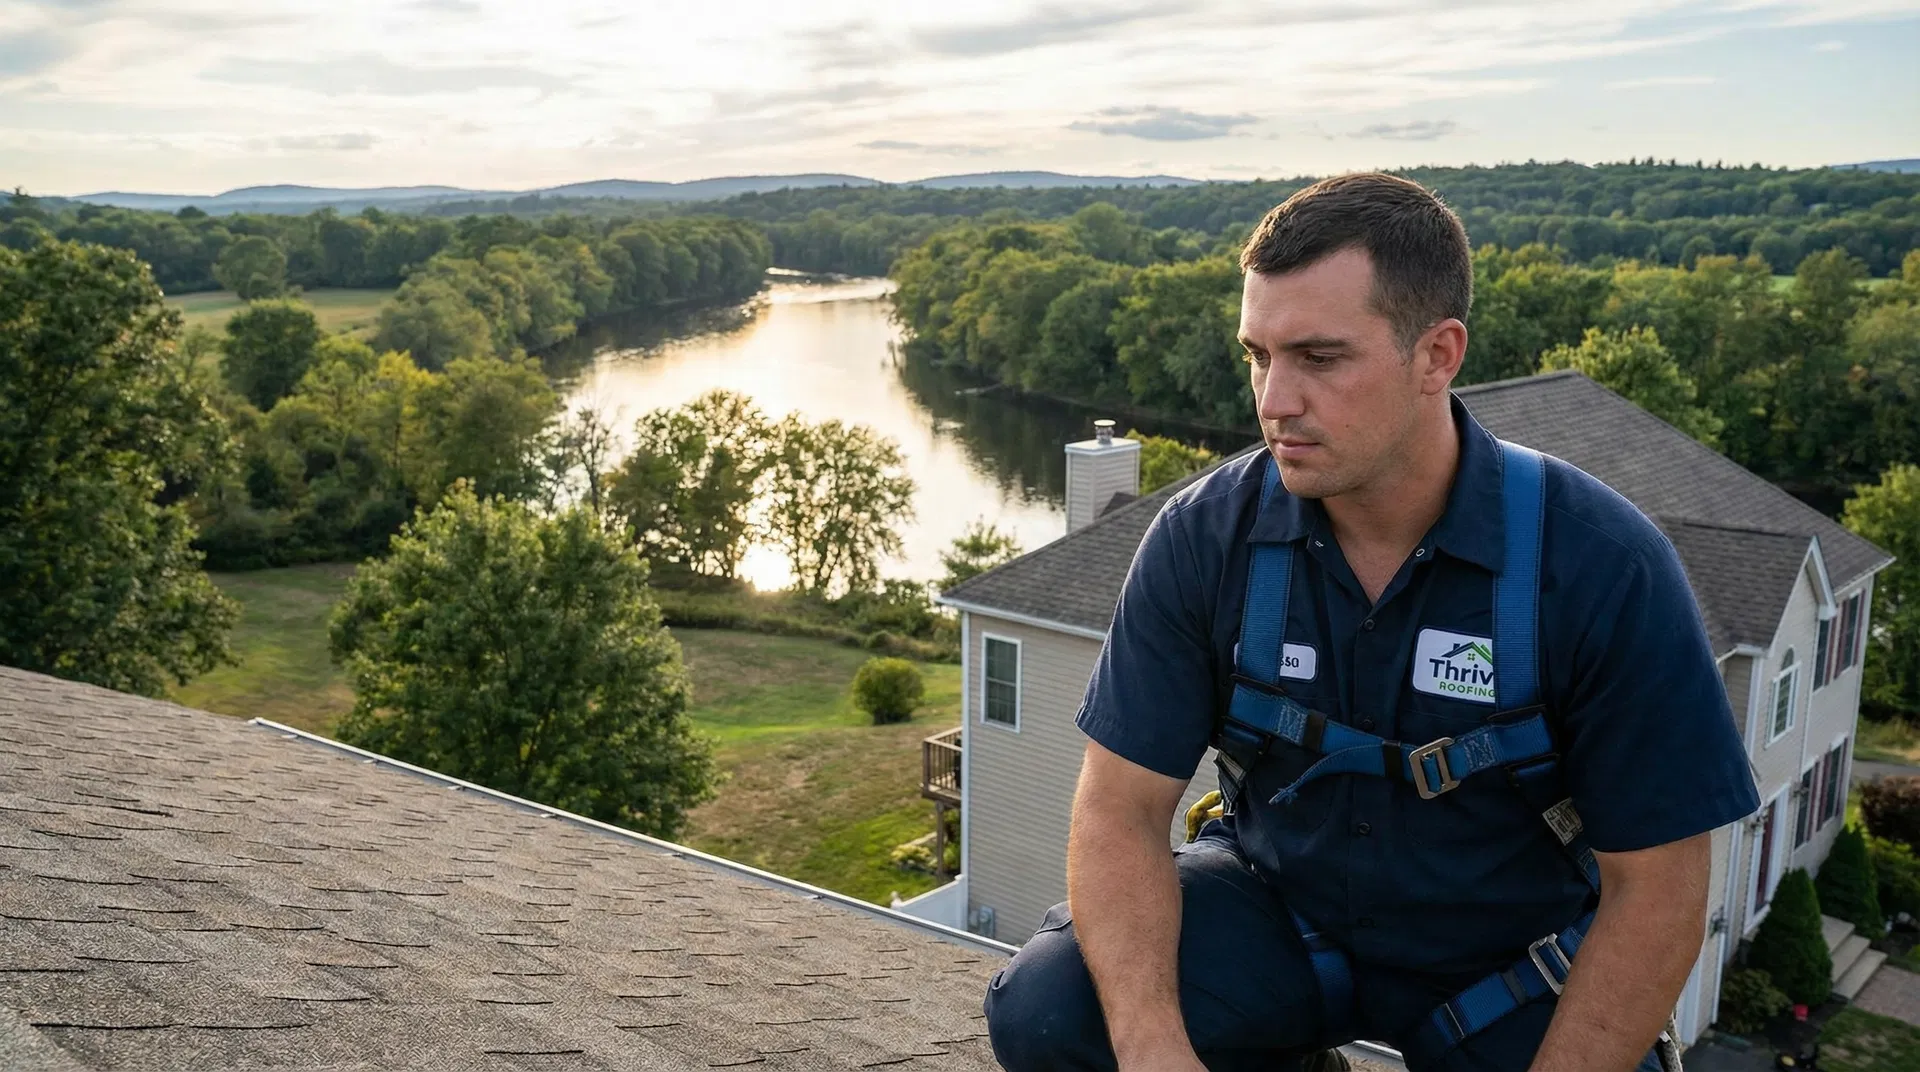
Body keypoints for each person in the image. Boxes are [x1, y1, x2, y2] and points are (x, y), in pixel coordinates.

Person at [981, 173, 1759, 1072]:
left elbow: (1659, 889)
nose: (1274, 399)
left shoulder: (1597, 565)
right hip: (1281, 919)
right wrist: (1157, 1052)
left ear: (1437, 355)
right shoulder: (1207, 539)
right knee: (1050, 1012)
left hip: (1507, 967)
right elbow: (1118, 810)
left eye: (1319, 358)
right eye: (1257, 355)